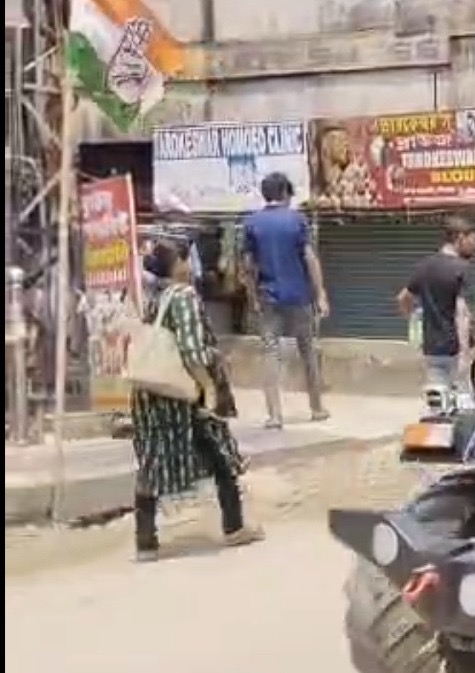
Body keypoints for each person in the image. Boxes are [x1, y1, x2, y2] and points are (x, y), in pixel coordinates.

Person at [131, 242, 263, 562]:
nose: (191, 265)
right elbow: (191, 350)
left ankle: (145, 542)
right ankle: (234, 527)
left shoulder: (156, 298)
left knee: (153, 461)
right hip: (183, 393)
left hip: (152, 395)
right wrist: (208, 387)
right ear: (177, 265)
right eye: (186, 259)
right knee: (220, 454)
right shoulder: (184, 296)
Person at [242, 172, 329, 429]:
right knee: (308, 350)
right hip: (299, 296)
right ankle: (316, 407)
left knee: (270, 353)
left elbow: (248, 266)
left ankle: (275, 415)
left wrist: (252, 297)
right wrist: (320, 293)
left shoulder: (252, 223)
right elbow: (310, 258)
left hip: (268, 296)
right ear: (284, 193)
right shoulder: (297, 220)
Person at [397, 215, 475, 386]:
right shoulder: (461, 268)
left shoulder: (425, 266)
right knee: (460, 397)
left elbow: (403, 298)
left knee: (437, 394)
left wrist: (414, 321)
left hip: (431, 349)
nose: (474, 246)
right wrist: (465, 353)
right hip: (454, 350)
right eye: (472, 241)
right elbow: (461, 312)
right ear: (460, 238)